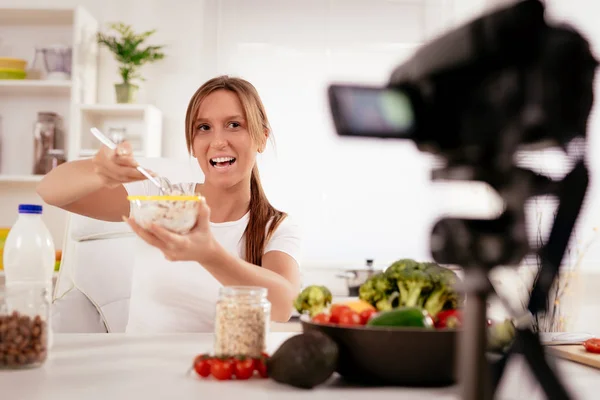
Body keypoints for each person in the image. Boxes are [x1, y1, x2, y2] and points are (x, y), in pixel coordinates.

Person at [37, 76, 302, 332]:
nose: (218, 141)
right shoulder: (159, 198)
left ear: (262, 137)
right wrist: (100, 171)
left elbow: (284, 305)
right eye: (204, 128)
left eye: (234, 125)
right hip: (142, 370)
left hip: (220, 372)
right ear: (192, 144)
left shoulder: (276, 227)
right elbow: (50, 190)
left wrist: (209, 254)